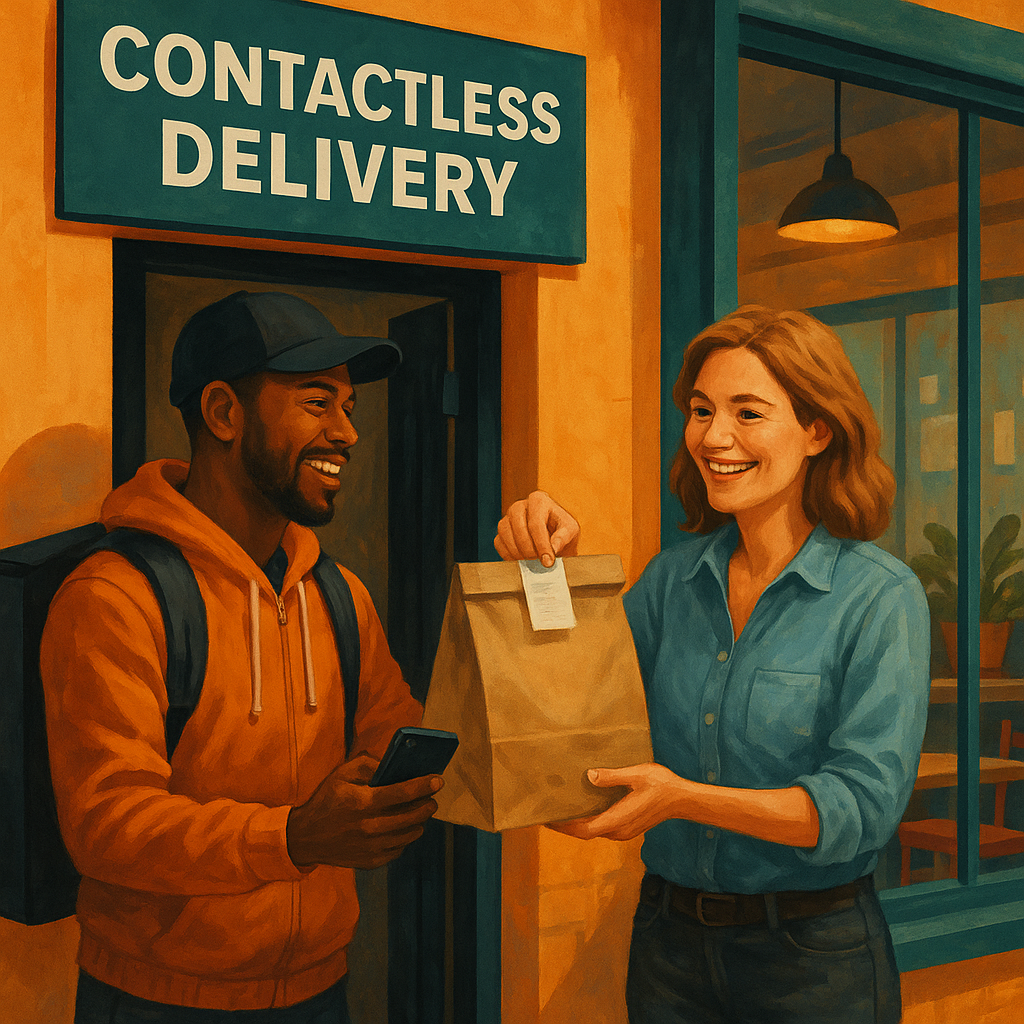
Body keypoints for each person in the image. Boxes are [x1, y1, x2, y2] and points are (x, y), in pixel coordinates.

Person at [495, 305, 930, 1024]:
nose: (713, 437)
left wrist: (683, 798)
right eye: (701, 410)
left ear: (818, 430)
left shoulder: (880, 599)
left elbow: (859, 810)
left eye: (747, 412)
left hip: (815, 961)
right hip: (668, 947)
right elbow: (579, 714)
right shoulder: (671, 582)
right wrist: (550, 574)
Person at [41, 290, 440, 1023]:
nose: (348, 433)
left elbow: (401, 735)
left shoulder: (340, 595)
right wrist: (291, 836)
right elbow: (105, 823)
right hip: (153, 1001)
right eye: (318, 403)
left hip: (320, 993)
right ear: (224, 413)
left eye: (349, 407)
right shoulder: (115, 596)